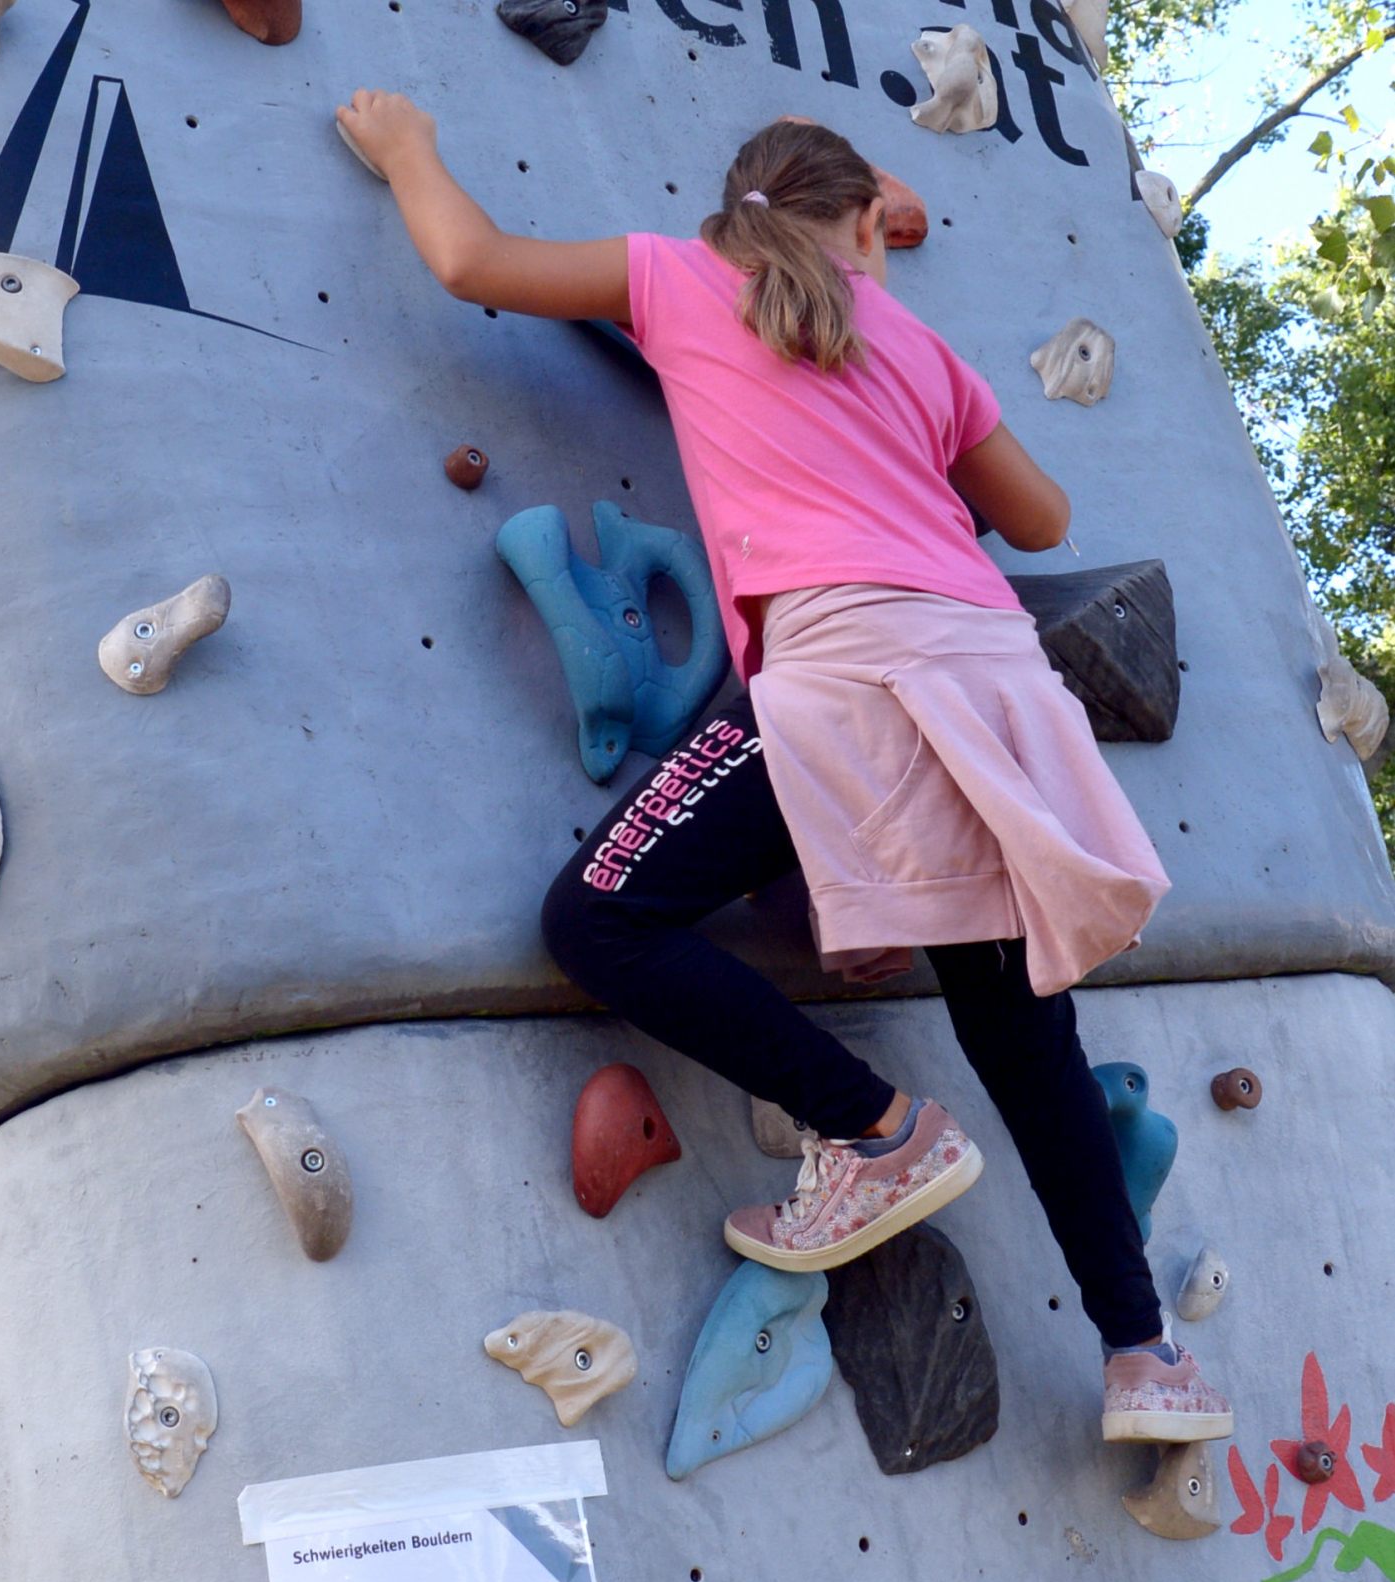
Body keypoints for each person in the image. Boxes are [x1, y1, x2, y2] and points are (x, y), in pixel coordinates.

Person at [334, 92, 1231, 1444]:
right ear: (867, 223)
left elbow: (469, 263)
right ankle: (1146, 1356)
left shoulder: (677, 274)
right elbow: (1040, 514)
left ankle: (872, 1127)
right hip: (987, 681)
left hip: (846, 667)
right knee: (1023, 1029)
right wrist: (906, 390)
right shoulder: (919, 343)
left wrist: (407, 150)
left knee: (598, 917)